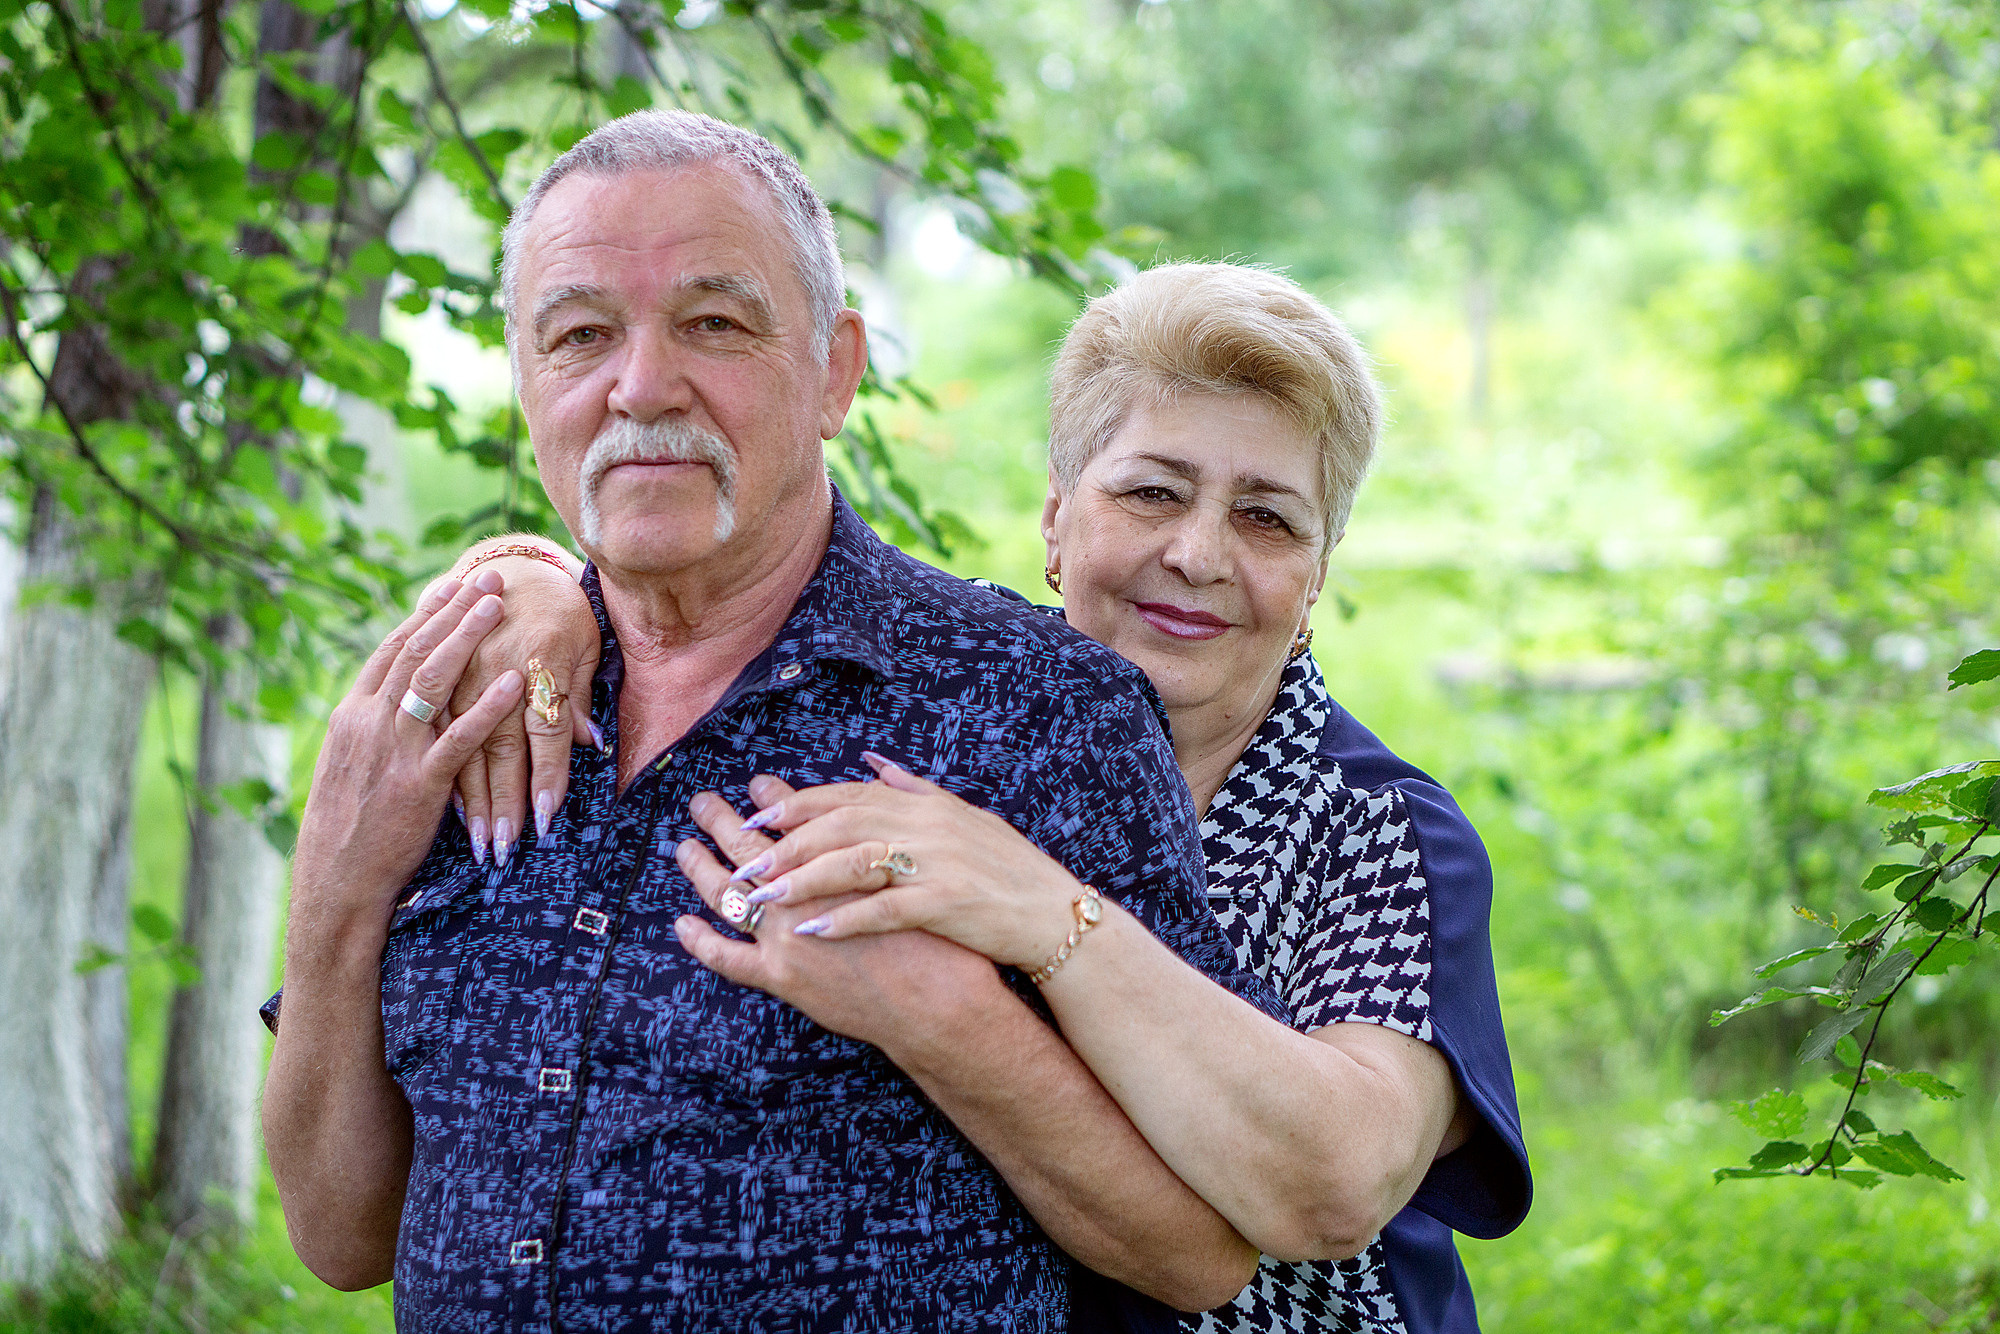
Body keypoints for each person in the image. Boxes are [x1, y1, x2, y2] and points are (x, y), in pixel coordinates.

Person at [259, 110, 1294, 1331]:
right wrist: (336, 879)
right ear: (527, 382)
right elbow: (339, 1235)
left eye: (714, 323)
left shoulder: (1036, 707)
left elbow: (1199, 1254)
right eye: (580, 334)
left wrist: (944, 1024)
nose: (640, 385)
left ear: (834, 369)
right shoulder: (463, 701)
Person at [465, 263, 1533, 1333]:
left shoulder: (1374, 828)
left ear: (1315, 575)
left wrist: (1040, 908)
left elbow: (1331, 1184)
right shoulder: (947, 699)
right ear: (1056, 519)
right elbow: (716, 609)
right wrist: (528, 573)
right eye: (1152, 492)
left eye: (1266, 519)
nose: (1198, 554)